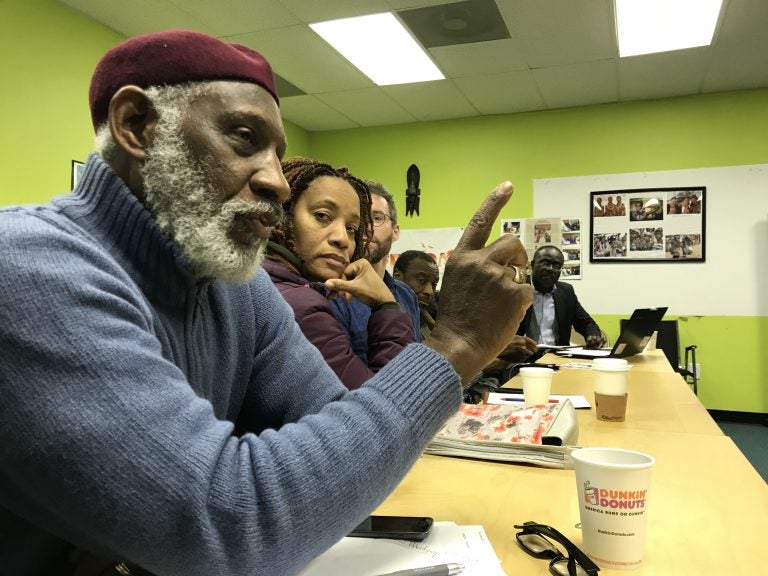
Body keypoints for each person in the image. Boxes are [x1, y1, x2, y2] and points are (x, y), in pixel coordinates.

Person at [0, 30, 534, 576]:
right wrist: (458, 345)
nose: (277, 182)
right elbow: (230, 524)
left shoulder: (238, 284)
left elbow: (346, 446)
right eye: (242, 137)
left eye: (277, 154)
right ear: (137, 125)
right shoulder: (26, 266)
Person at [264, 159, 415, 390]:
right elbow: (383, 409)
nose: (342, 239)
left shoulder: (285, 286)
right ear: (284, 214)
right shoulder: (301, 304)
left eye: (351, 228)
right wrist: (385, 306)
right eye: (322, 216)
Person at [330, 180, 421, 363]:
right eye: (359, 218)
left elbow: (414, 357)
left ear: (395, 231)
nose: (366, 227)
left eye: (377, 218)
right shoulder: (334, 291)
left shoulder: (406, 295)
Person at [517, 246, 605, 348]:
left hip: (556, 356)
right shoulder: (516, 288)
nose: (550, 269)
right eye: (546, 263)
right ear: (532, 265)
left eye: (556, 265)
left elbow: (586, 323)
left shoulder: (566, 292)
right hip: (521, 356)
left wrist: (593, 335)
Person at [393, 250, 440, 339]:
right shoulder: (379, 315)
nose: (430, 292)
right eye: (421, 280)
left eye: (434, 284)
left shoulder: (432, 316)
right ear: (397, 276)